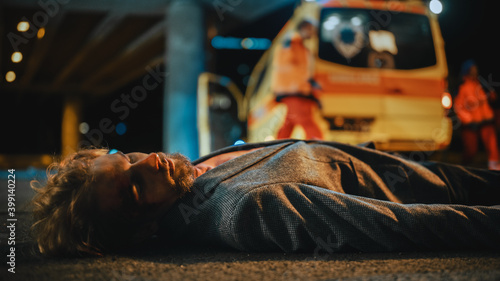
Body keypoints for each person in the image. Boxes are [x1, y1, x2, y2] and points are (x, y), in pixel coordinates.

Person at [31, 139, 500, 257]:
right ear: (143, 229)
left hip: (418, 170)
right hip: (434, 189)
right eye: (134, 187)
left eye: (129, 156)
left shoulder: (188, 177)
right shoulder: (248, 209)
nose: (149, 160)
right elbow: (404, 227)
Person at [271, 19, 324, 140]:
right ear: (304, 29)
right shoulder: (292, 44)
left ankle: (278, 147)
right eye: (311, 30)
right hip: (294, 91)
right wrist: (308, 87)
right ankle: (318, 148)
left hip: (297, 91)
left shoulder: (299, 47)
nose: (313, 33)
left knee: (289, 124)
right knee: (307, 122)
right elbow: (291, 69)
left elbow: (302, 71)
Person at [454, 60, 500, 170]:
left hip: (485, 121)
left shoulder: (480, 84)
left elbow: (482, 102)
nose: (475, 72)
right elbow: (458, 107)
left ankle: (495, 170)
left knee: (492, 146)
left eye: (475, 69)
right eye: (472, 70)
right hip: (471, 124)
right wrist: (468, 120)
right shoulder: (463, 87)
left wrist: (490, 97)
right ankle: (463, 169)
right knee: (470, 150)